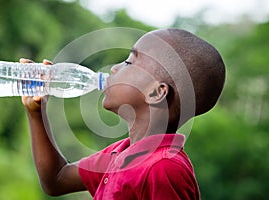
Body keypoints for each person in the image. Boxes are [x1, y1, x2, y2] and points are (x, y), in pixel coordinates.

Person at [21, 28, 225, 199]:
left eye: (128, 62)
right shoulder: (122, 153)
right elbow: (56, 179)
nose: (114, 69)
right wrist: (36, 112)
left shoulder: (164, 168)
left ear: (156, 92)